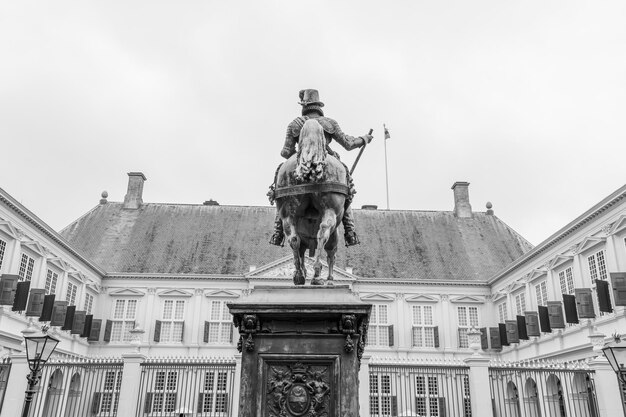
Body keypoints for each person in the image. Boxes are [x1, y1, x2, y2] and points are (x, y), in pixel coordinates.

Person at [269, 89, 373, 247]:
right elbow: (348, 143)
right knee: (347, 187)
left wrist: (301, 154)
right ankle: (350, 231)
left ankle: (278, 231)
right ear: (319, 106)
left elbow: (286, 152)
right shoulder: (329, 123)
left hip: (299, 166)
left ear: (304, 106)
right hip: (325, 163)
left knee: (281, 186)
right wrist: (364, 139)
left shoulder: (295, 124)